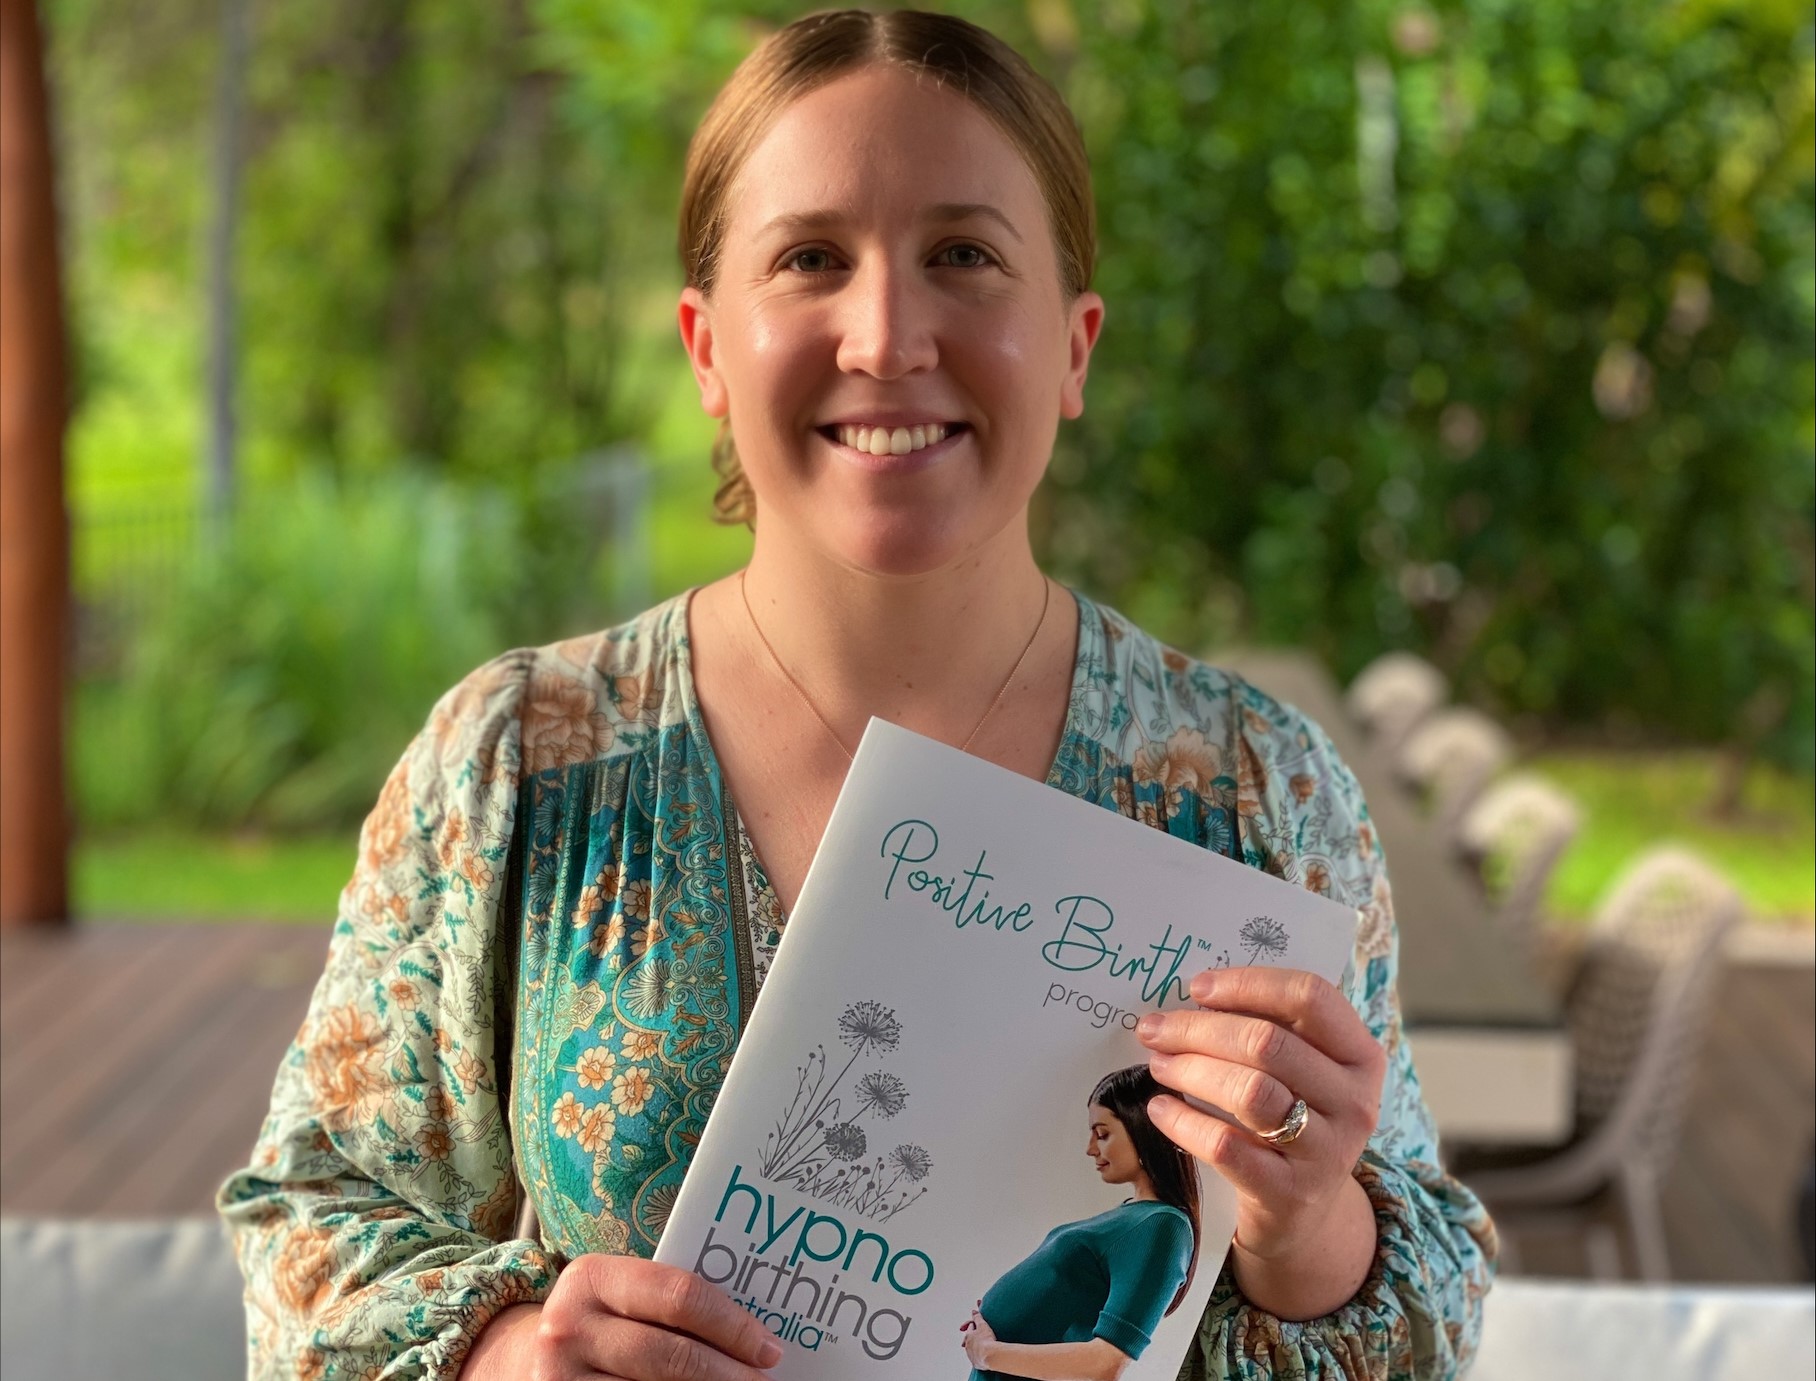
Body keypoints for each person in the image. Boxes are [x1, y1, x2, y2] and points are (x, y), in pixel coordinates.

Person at [217, 10, 1497, 1381]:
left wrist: (1308, 1227)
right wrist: (507, 1357)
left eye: (964, 256)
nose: (887, 337)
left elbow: (1430, 1314)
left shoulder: (1260, 791)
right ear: (707, 349)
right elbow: (311, 1216)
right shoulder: (520, 764)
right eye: (811, 258)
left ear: (1074, 346)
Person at [960, 1066, 1199, 1380]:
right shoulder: (1133, 1215)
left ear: (1144, 1129)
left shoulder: (1163, 1226)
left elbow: (1106, 1362)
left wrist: (987, 1353)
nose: (1091, 1148)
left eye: (1102, 1134)